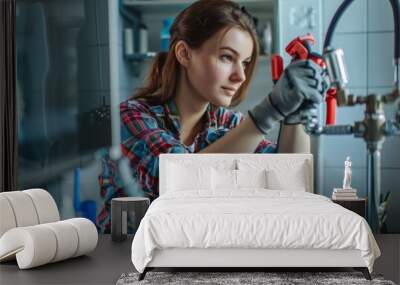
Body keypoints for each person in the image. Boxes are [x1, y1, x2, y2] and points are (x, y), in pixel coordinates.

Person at [97, 0, 328, 233]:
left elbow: (289, 180)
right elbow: (180, 184)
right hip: (123, 260)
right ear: (184, 54)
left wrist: (295, 114)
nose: (240, 76)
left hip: (191, 260)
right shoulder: (129, 118)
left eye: (245, 63)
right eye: (227, 57)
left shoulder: (229, 123)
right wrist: (268, 113)